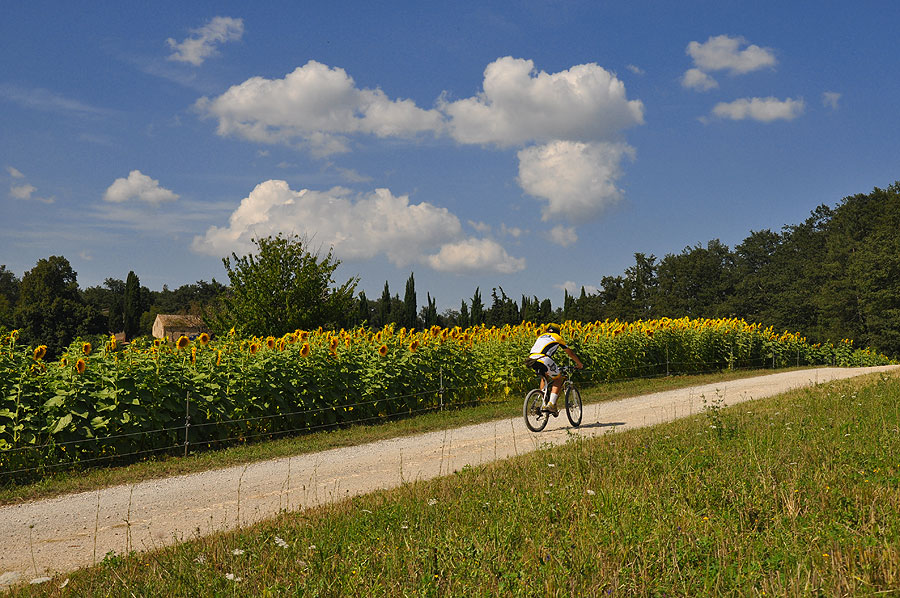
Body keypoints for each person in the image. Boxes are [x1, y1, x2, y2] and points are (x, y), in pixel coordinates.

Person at [525, 323, 583, 415]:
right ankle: (551, 403)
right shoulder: (557, 337)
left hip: (531, 359)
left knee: (544, 376)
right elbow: (570, 353)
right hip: (544, 358)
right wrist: (579, 364)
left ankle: (543, 402)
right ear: (558, 331)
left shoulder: (541, 336)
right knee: (558, 379)